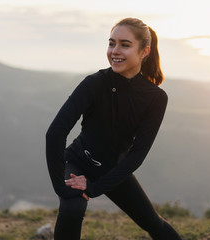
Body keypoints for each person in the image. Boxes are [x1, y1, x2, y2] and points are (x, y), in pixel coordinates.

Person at [46, 17, 182, 240]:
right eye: (111, 43)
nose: (115, 51)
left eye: (125, 45)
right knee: (72, 208)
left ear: (144, 52)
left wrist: (94, 187)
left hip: (114, 170)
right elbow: (55, 133)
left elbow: (137, 154)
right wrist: (60, 187)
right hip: (78, 160)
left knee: (153, 223)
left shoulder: (155, 98)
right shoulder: (94, 83)